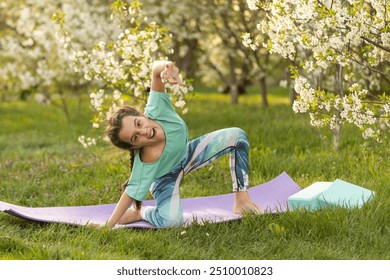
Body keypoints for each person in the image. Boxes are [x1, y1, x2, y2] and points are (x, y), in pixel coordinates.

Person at [103, 61, 262, 228]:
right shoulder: (145, 163)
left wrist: (166, 67)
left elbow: (155, 71)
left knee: (237, 136)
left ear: (141, 114)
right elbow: (129, 194)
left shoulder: (156, 109)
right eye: (135, 137)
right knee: (171, 222)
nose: (143, 131)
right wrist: (108, 225)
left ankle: (242, 201)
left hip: (187, 155)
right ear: (135, 146)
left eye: (138, 123)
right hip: (165, 178)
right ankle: (142, 213)